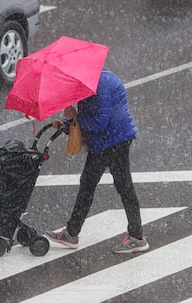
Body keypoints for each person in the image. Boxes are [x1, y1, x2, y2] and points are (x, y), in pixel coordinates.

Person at [44, 67, 149, 254]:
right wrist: (67, 124)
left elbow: (99, 121)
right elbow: (91, 117)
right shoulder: (89, 82)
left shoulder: (100, 85)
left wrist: (75, 119)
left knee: (113, 185)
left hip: (114, 140)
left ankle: (136, 237)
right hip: (108, 140)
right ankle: (74, 232)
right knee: (101, 185)